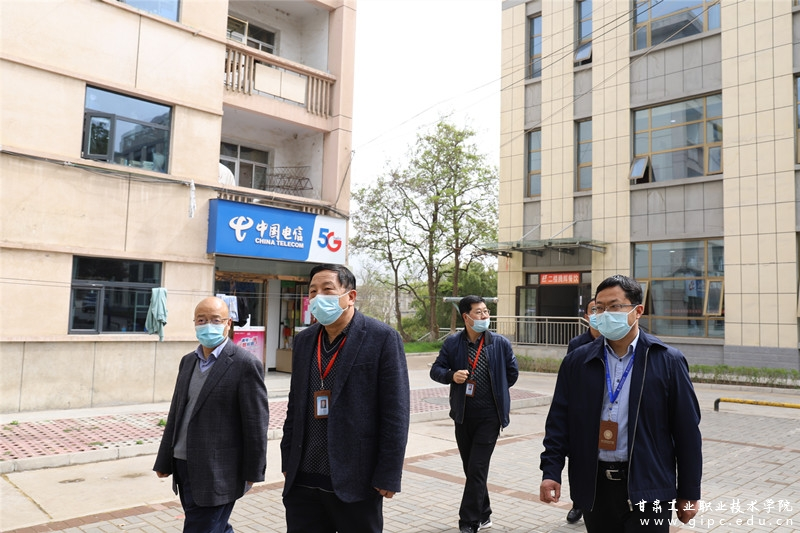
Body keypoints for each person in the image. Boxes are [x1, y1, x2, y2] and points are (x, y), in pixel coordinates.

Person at [539, 275, 702, 532]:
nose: (605, 314)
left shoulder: (667, 361)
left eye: (614, 306)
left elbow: (687, 431)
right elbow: (559, 421)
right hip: (595, 487)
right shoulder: (577, 362)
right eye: (599, 308)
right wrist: (551, 471)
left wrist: (689, 492)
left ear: (638, 311)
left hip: (649, 487)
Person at [280, 264, 410, 533]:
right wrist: (287, 458)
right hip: (303, 479)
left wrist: (388, 473)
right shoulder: (304, 341)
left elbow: (395, 412)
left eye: (327, 290)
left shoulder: (382, 338)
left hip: (356, 480)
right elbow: (295, 405)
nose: (318, 297)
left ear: (350, 296)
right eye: (313, 291)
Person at [153, 296, 269, 533]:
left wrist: (253, 471)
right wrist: (164, 459)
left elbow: (255, 423)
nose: (208, 325)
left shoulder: (245, 364)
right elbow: (176, 413)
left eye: (216, 320)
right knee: (215, 527)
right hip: (183, 465)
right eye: (201, 320)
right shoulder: (188, 362)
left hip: (219, 471)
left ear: (228, 324)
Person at [430, 295, 519, 533]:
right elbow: (436, 370)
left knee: (477, 468)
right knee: (471, 469)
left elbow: (512, 373)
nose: (484, 316)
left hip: (490, 417)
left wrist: (498, 390)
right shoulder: (453, 343)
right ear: (466, 317)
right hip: (463, 416)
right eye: (479, 312)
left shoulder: (499, 343)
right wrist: (451, 376)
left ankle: (468, 522)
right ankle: (484, 513)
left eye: (486, 311)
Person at [563, 297, 601, 525]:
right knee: (578, 461)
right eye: (594, 310)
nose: (598, 314)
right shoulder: (577, 344)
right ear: (586, 316)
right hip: (582, 412)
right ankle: (578, 503)